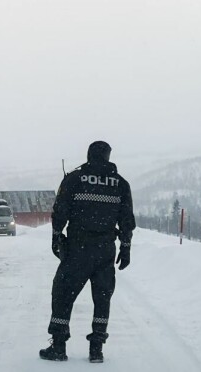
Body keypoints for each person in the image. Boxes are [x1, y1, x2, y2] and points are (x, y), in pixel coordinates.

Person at [39, 140, 136, 363]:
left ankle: (59, 346)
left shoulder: (74, 179)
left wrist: (55, 236)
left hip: (77, 249)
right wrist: (126, 246)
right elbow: (127, 220)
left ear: (89, 154)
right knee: (102, 298)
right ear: (108, 156)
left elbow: (60, 210)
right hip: (105, 250)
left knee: (63, 293)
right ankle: (96, 349)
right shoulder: (120, 184)